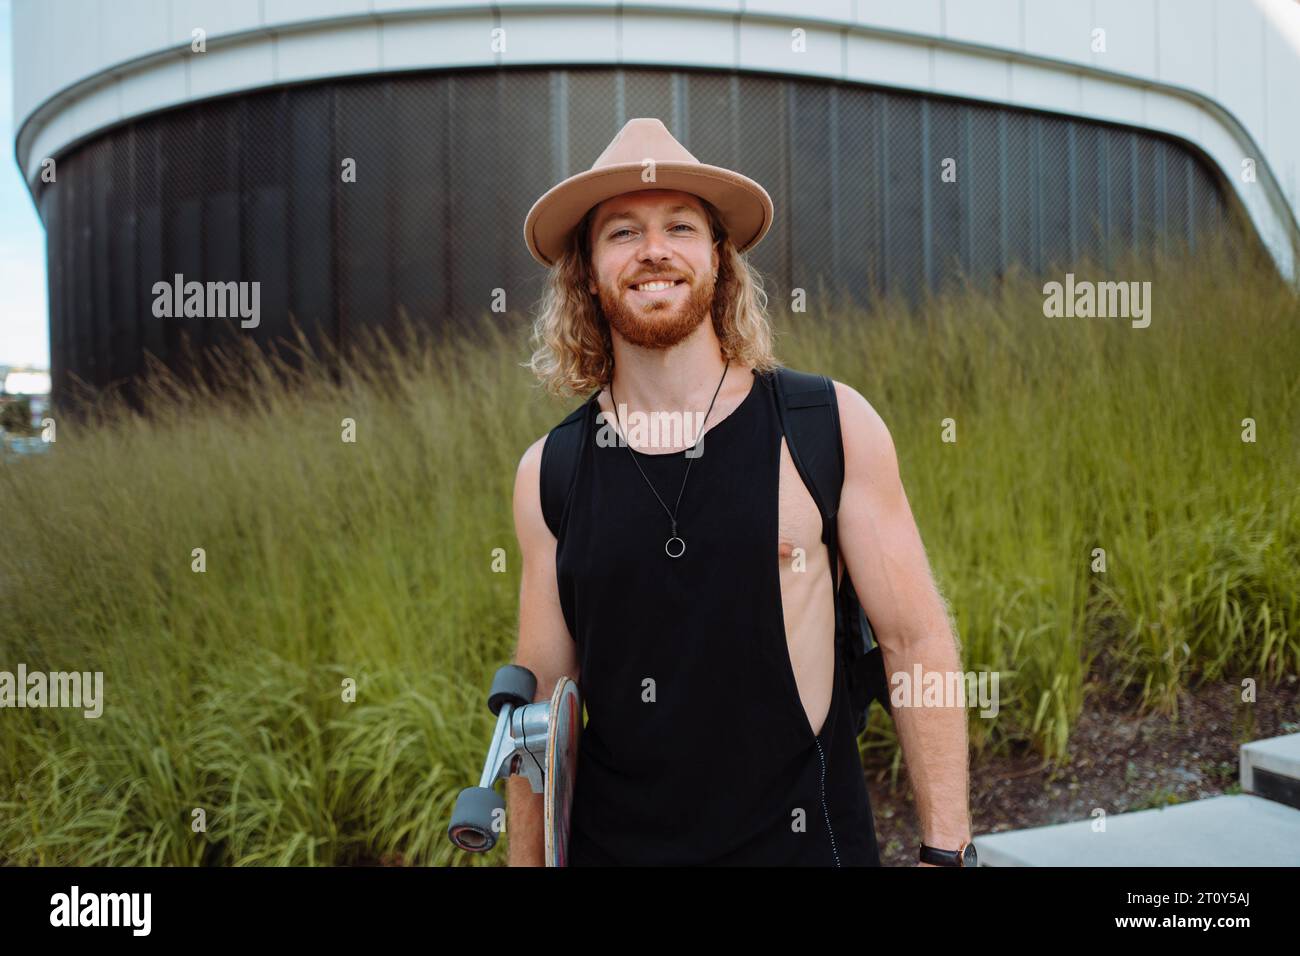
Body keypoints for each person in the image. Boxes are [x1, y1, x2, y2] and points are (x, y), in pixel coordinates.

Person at [507, 118, 972, 866]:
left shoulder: (828, 426)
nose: (654, 249)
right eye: (623, 232)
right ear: (587, 272)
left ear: (718, 260)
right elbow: (543, 708)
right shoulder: (551, 472)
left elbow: (915, 642)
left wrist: (948, 853)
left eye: (680, 226)